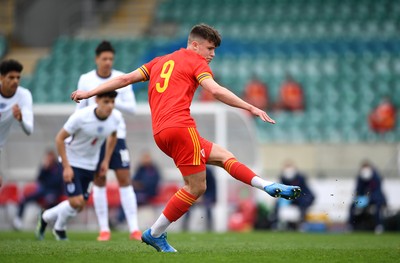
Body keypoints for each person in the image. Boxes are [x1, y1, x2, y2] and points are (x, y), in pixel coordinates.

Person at [71, 23, 301, 252]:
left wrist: (89, 93)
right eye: (209, 48)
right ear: (194, 45)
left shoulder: (159, 61)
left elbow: (124, 80)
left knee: (223, 156)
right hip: (181, 127)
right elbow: (216, 90)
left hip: (161, 133)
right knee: (196, 187)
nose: (212, 54)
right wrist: (250, 107)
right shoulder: (196, 62)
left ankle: (267, 185)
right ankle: (155, 233)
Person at [75, 41, 141, 241]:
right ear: (96, 59)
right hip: (95, 137)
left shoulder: (121, 79)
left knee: (124, 178)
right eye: (104, 58)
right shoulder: (86, 80)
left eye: (110, 58)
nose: (107, 62)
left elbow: (132, 108)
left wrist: (108, 97)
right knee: (99, 180)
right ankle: (104, 229)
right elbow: (80, 109)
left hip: (117, 135)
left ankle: (134, 229)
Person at [35, 91, 121, 241]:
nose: (110, 106)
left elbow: (113, 136)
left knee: (79, 206)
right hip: (72, 162)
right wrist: (67, 167)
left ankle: (46, 217)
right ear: (96, 100)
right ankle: (59, 229)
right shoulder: (81, 117)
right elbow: (59, 139)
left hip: (91, 166)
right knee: (76, 202)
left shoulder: (114, 119)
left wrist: (106, 161)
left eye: (112, 102)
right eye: (106, 102)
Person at [0, 59, 33, 187]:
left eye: (18, 77)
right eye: (11, 77)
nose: (15, 81)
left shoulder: (23, 95)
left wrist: (21, 120)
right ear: (2, 77)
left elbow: (29, 130)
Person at [13, 149, 64, 230]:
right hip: (43, 190)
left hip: (54, 191)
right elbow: (39, 179)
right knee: (24, 198)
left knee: (50, 199)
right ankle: (18, 221)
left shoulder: (58, 167)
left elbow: (58, 181)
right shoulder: (44, 167)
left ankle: (50, 222)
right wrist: (44, 169)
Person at [114, 151, 161, 225]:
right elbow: (134, 180)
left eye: (147, 158)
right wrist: (137, 184)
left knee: (132, 199)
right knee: (126, 199)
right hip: (138, 192)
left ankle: (120, 220)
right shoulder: (141, 168)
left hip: (148, 194)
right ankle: (119, 219)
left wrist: (141, 185)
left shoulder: (153, 170)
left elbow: (152, 183)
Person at [272, 161, 315, 230]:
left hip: (301, 197)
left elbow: (305, 193)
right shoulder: (283, 178)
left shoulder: (300, 178)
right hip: (290, 198)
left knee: (302, 205)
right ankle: (276, 223)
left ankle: (301, 223)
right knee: (277, 204)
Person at [348, 160, 387, 234]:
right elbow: (358, 190)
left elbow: (377, 191)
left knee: (377, 207)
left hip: (374, 199)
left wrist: (369, 198)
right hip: (363, 199)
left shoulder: (376, 177)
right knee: (352, 206)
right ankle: (350, 225)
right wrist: (358, 199)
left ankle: (379, 225)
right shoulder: (360, 177)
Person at [182, 166, 216, 231]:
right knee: (186, 208)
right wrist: (195, 196)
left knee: (208, 208)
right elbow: (189, 186)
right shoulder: (192, 172)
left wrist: (204, 197)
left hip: (206, 196)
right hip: (194, 195)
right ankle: (184, 228)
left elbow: (212, 188)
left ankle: (210, 228)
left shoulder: (208, 172)